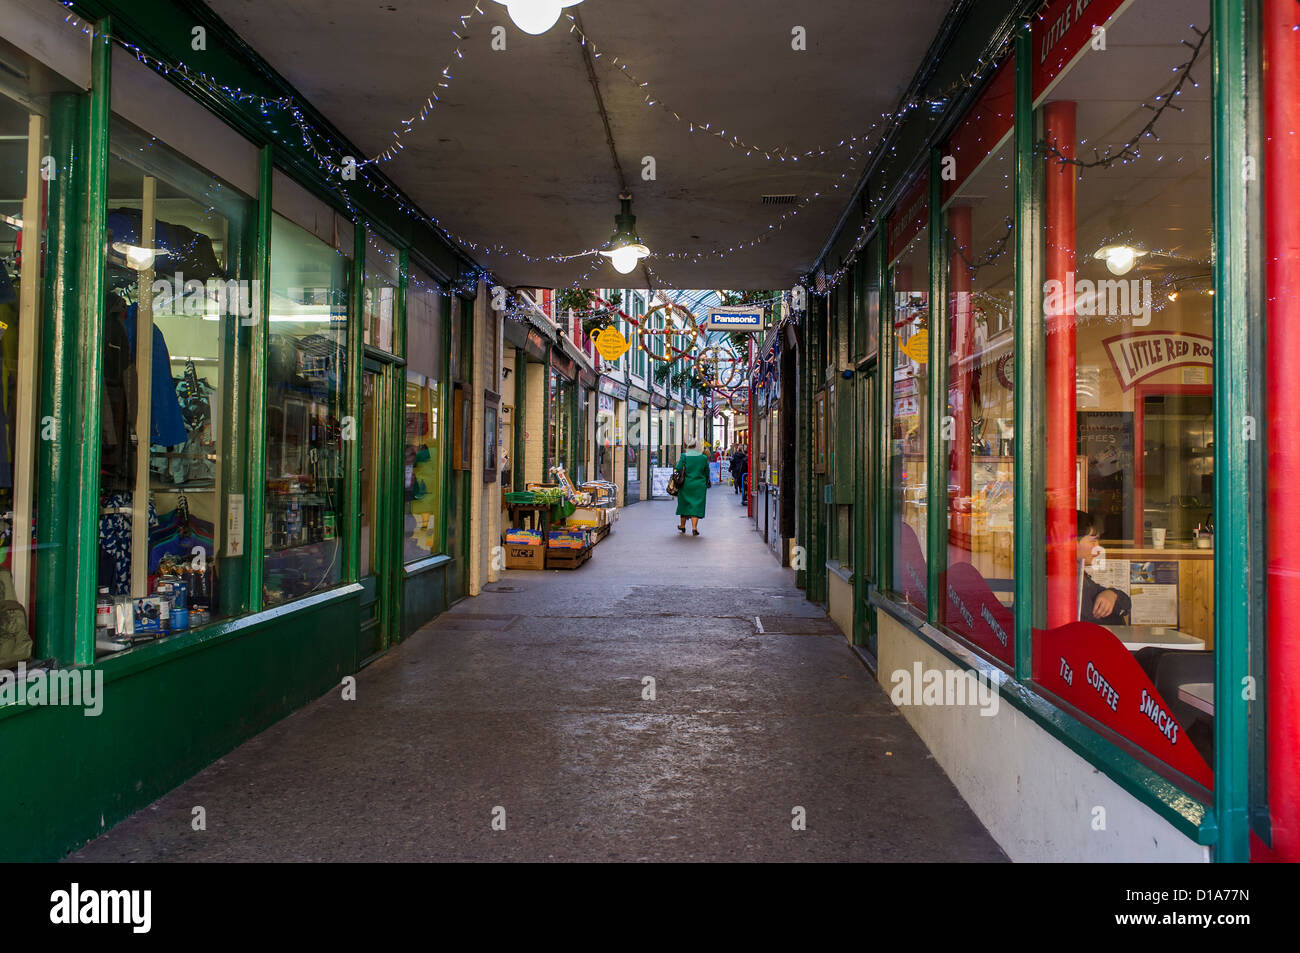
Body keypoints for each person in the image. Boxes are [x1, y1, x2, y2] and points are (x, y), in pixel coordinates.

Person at [1077, 510, 1131, 625]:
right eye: (1093, 541)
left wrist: (1111, 594)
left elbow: (1125, 602)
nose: (1098, 548)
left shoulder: (1081, 576)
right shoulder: (1063, 580)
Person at [675, 436, 711, 536]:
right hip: (699, 486)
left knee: (684, 505)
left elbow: (678, 468)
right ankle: (694, 528)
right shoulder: (703, 458)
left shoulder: (684, 456)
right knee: (696, 506)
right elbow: (707, 472)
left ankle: (682, 526)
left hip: (685, 485)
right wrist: (706, 482)